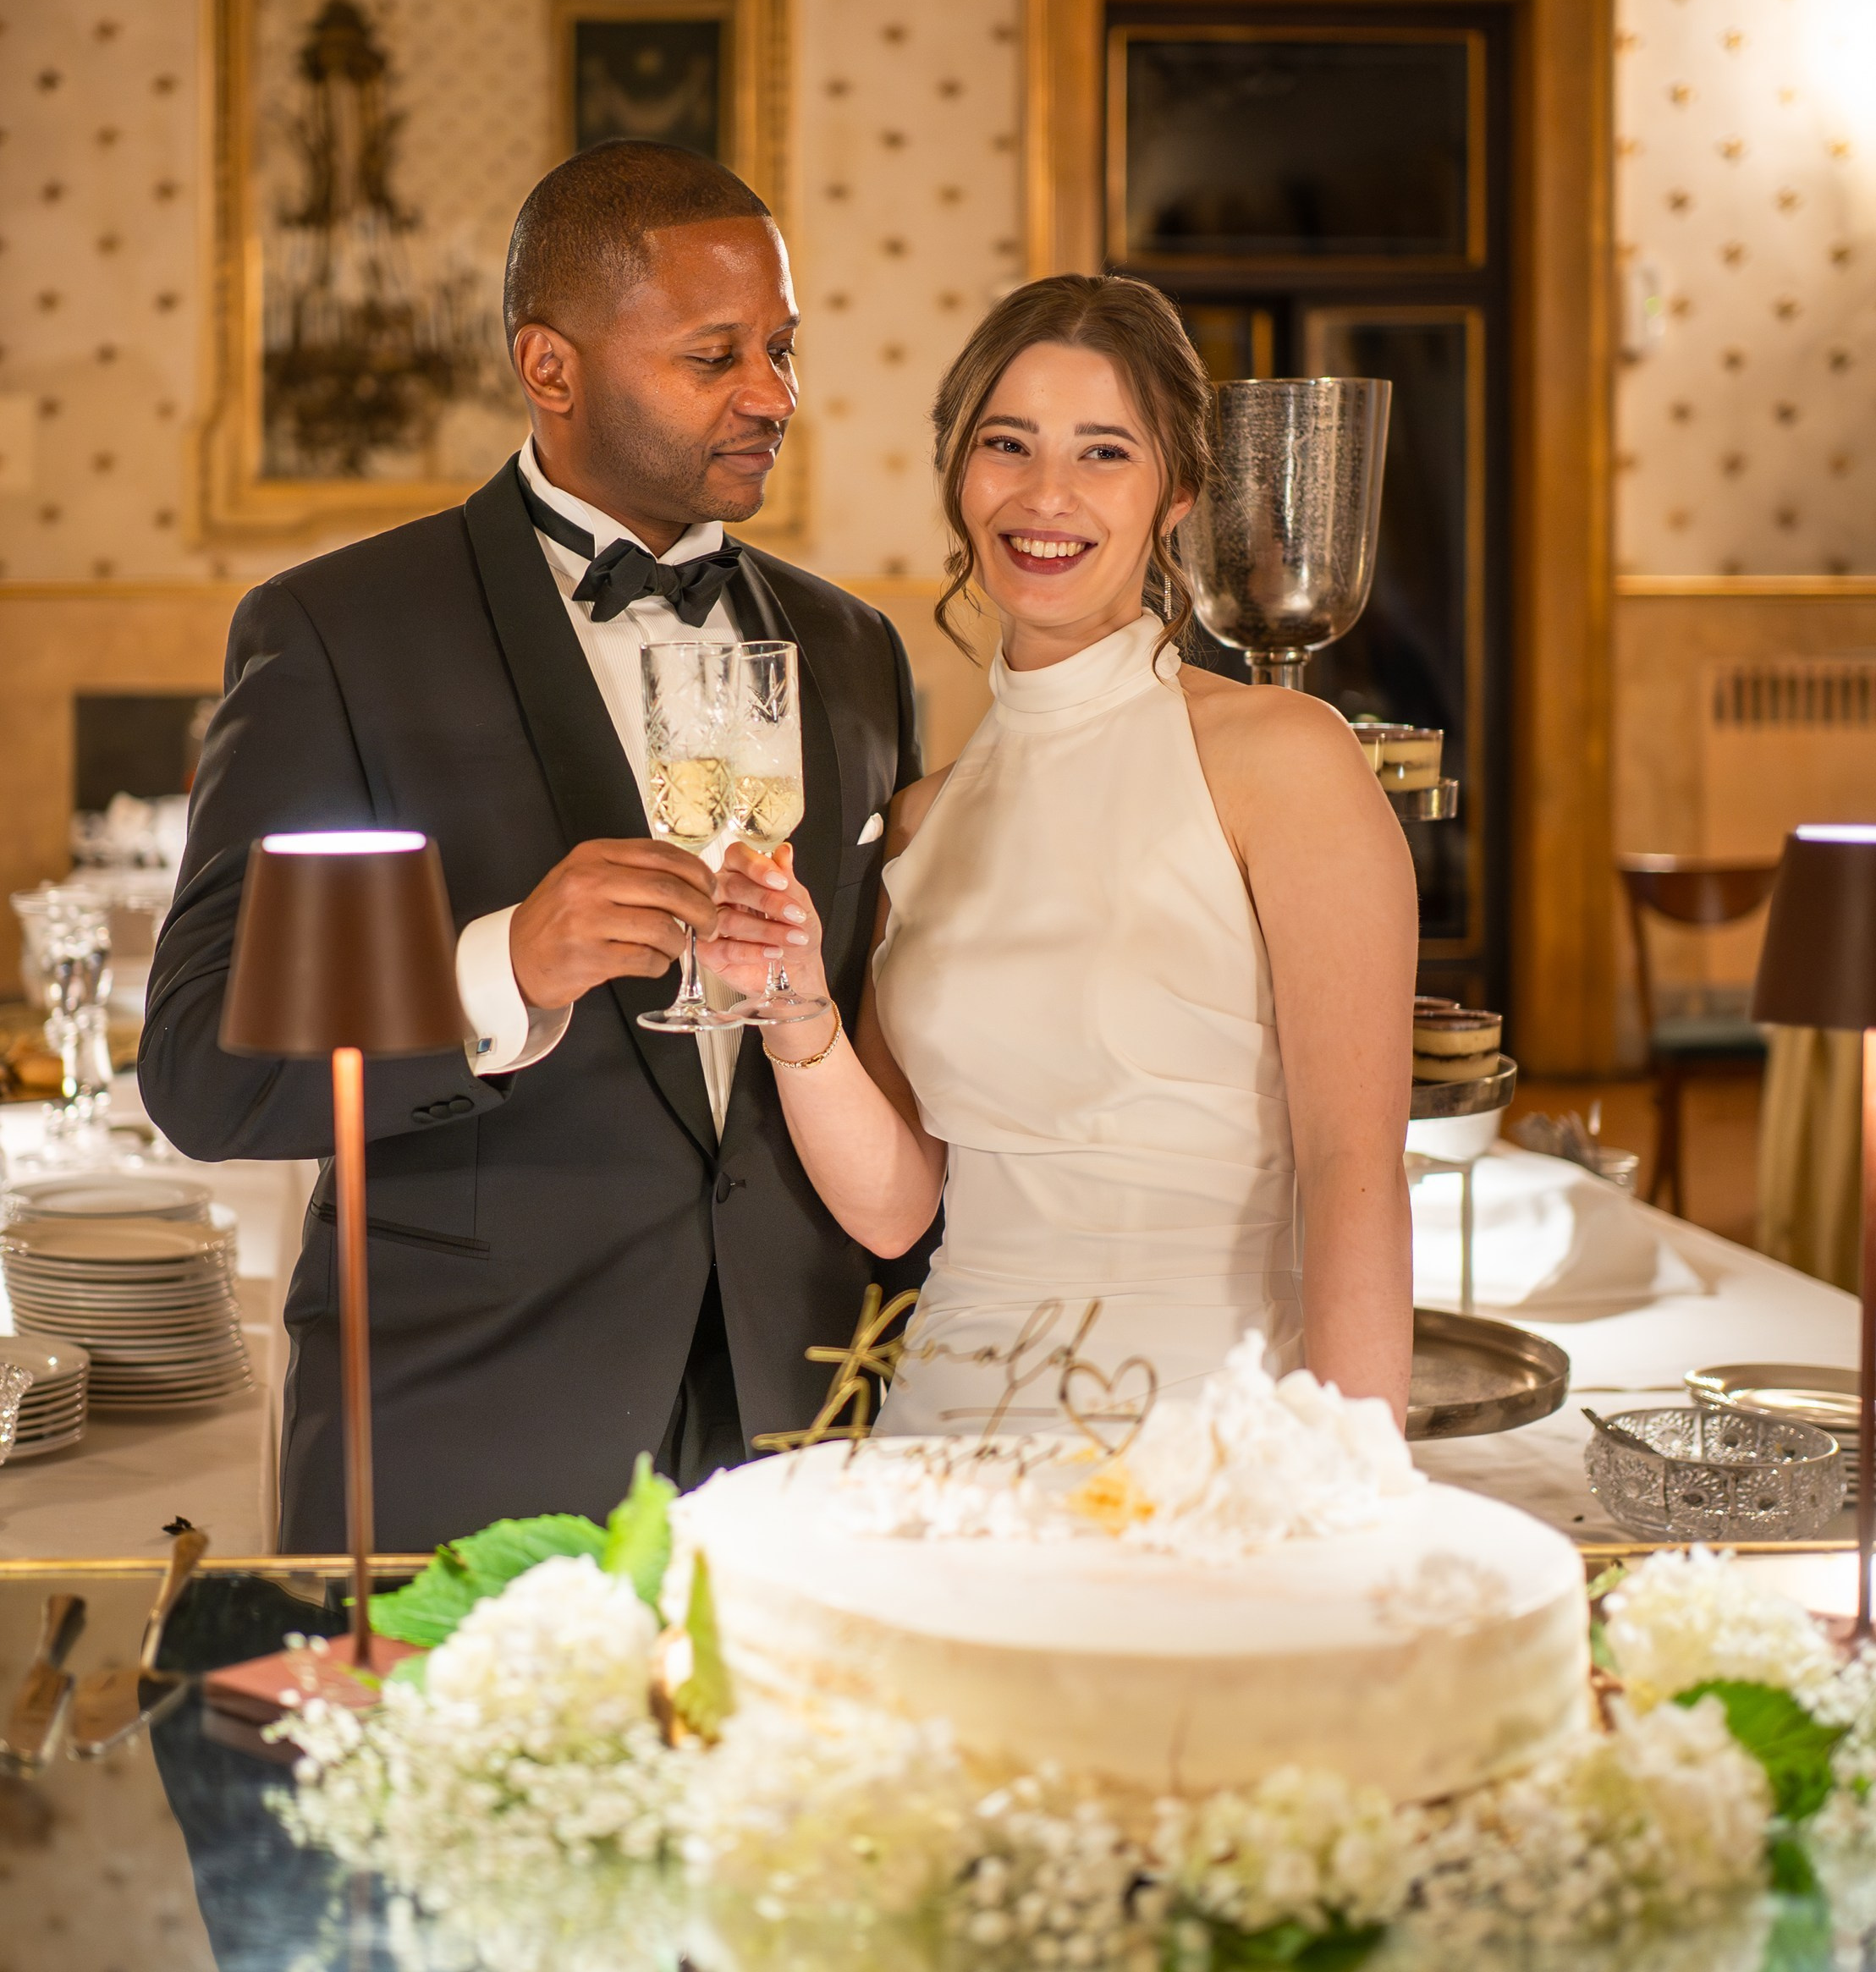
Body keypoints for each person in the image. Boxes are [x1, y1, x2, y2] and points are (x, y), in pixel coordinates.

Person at [138, 141, 924, 1550]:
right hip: (470, 1424)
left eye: (783, 349)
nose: (772, 395)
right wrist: (502, 970)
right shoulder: (338, 637)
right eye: (714, 356)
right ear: (548, 368)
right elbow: (206, 1070)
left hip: (806, 1433)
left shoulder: (854, 649)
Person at [704, 273, 1417, 1431]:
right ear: (957, 471)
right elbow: (894, 1209)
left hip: (1203, 1436)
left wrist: (1351, 1482)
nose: (1046, 495)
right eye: (1007, 444)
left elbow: (1354, 1172)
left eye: (1103, 453)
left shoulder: (1284, 759)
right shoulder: (923, 821)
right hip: (946, 1429)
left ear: (1176, 492)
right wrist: (794, 1016)